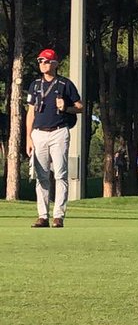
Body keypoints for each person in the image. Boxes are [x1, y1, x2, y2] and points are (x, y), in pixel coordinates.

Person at [24, 48, 83, 228]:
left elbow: (80, 107)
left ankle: (58, 216)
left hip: (59, 131)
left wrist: (66, 108)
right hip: (39, 133)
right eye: (40, 61)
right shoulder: (35, 85)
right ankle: (43, 215)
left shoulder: (65, 84)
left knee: (60, 174)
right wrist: (28, 138)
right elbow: (30, 113)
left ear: (55, 64)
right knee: (41, 176)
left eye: (47, 61)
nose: (43, 64)